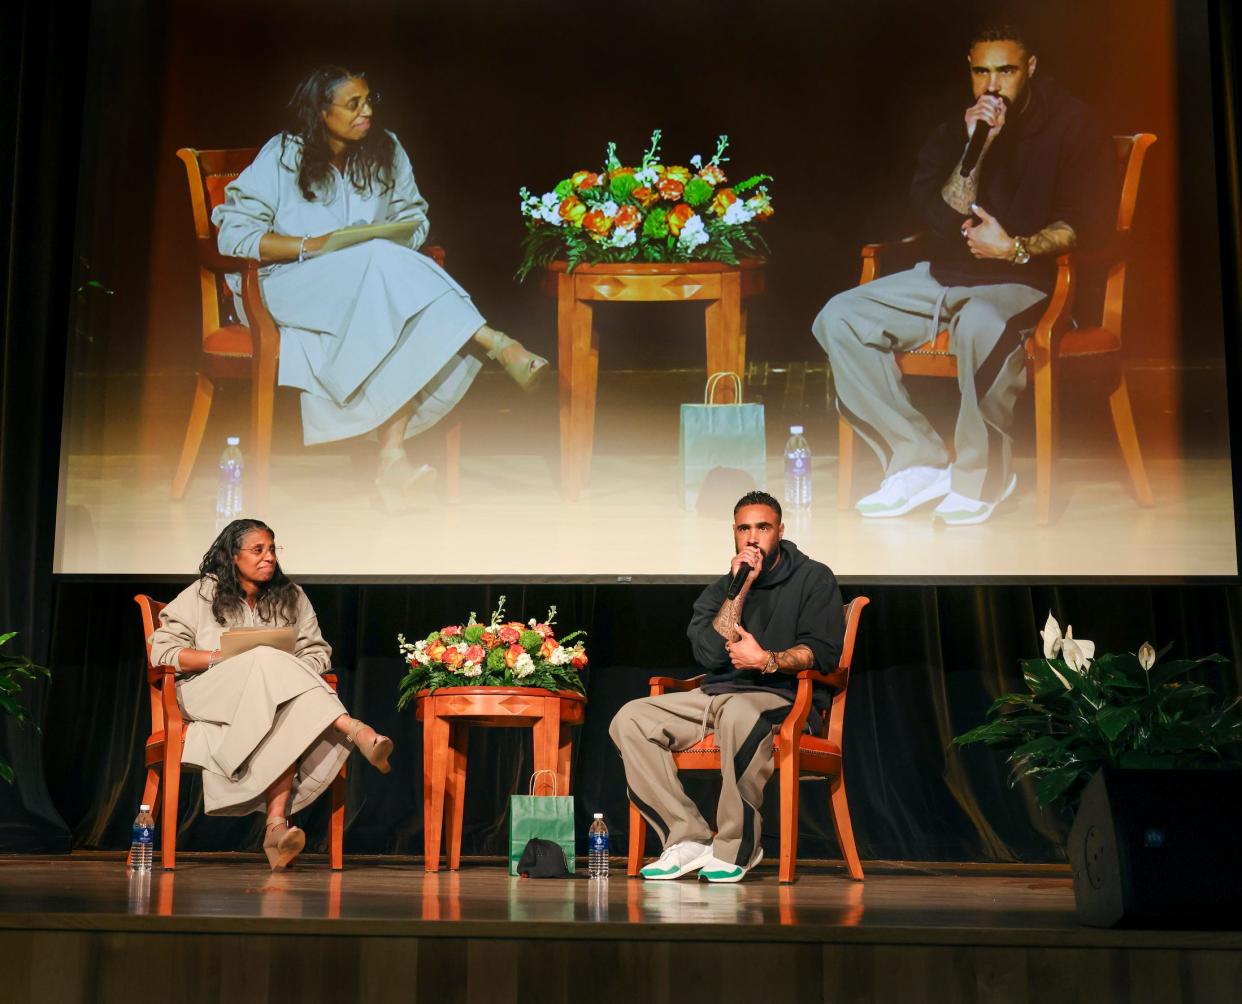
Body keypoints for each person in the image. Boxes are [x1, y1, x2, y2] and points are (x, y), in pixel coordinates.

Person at [813, 21, 1117, 525]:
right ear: (969, 71)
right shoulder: (955, 129)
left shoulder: (1074, 125)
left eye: (1006, 71)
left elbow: (1087, 223)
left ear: (1031, 69)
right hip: (945, 276)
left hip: (1027, 277)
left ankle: (984, 476)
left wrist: (1015, 247)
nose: (993, 86)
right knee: (840, 315)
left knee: (980, 320)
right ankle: (917, 461)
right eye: (982, 72)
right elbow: (938, 217)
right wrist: (978, 145)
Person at [211, 65, 547, 508]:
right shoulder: (282, 155)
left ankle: (392, 460)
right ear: (320, 111)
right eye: (353, 104)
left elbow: (415, 215)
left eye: (370, 100)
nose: (366, 111)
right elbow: (233, 235)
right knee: (381, 268)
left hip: (370, 283)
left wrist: (390, 238)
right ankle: (493, 339)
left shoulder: (386, 150)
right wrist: (312, 245)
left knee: (389, 293)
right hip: (286, 283)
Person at [609, 491, 844, 882]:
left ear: (780, 531)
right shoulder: (725, 588)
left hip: (784, 697)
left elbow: (821, 652)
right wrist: (741, 589)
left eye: (763, 527)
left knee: (739, 713)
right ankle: (687, 837)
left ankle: (737, 847)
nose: (753, 538)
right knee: (630, 718)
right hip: (716, 695)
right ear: (734, 534)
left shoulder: (813, 577)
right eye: (744, 529)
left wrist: (766, 659)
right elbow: (708, 653)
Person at [149, 518, 393, 869]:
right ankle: (355, 729)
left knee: (283, 699)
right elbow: (163, 651)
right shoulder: (204, 593)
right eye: (257, 550)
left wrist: (288, 674)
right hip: (206, 692)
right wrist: (218, 658)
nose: (269, 558)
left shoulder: (290, 595)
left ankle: (276, 829)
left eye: (272, 549)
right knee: (264, 655)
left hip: (270, 698)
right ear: (233, 556)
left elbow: (318, 653)